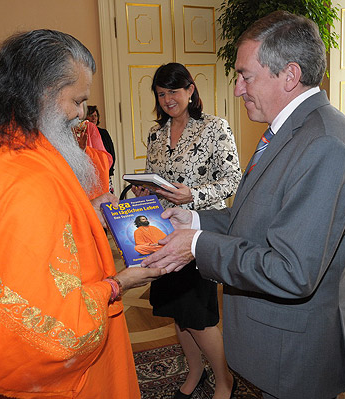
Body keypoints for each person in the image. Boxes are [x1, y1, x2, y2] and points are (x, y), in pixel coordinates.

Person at [142, 11, 345, 399]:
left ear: (289, 76)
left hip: (294, 355)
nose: (237, 89)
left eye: (245, 75)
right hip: (274, 344)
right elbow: (254, 216)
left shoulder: (324, 144)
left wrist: (196, 245)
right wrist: (194, 218)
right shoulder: (289, 133)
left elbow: (292, 271)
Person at [0, 30, 166, 399]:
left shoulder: (4, 144)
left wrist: (87, 210)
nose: (81, 114)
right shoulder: (23, 173)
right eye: (77, 100)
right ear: (40, 90)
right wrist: (120, 283)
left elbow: (41, 232)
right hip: (58, 373)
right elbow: (46, 320)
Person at [133, 62, 241, 399]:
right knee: (177, 313)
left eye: (173, 91)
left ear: (190, 90)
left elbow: (233, 178)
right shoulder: (156, 134)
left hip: (200, 233)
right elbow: (154, 176)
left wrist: (193, 194)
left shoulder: (214, 127)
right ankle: (195, 371)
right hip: (164, 232)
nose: (167, 99)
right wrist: (144, 190)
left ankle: (224, 380)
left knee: (198, 315)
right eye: (161, 93)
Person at [86, 105, 115, 185]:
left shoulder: (103, 133)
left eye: (95, 116)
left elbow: (111, 152)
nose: (94, 118)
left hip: (105, 172)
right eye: (91, 115)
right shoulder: (83, 132)